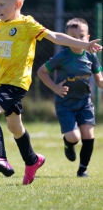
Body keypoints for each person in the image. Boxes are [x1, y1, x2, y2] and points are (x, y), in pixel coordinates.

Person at [0, 0, 102, 185]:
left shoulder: (26, 24)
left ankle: (1, 158)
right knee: (15, 128)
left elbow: (56, 37)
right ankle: (33, 160)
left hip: (17, 83)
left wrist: (84, 44)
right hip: (5, 83)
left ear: (17, 4)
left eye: (2, 4)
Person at [38, 18, 103, 177]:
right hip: (65, 103)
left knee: (88, 135)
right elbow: (41, 72)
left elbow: (99, 80)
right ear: (66, 39)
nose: (78, 40)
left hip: (84, 103)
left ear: (88, 38)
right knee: (74, 137)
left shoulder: (91, 57)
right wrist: (55, 87)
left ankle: (82, 169)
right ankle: (69, 144)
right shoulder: (62, 57)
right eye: (73, 37)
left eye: (81, 36)